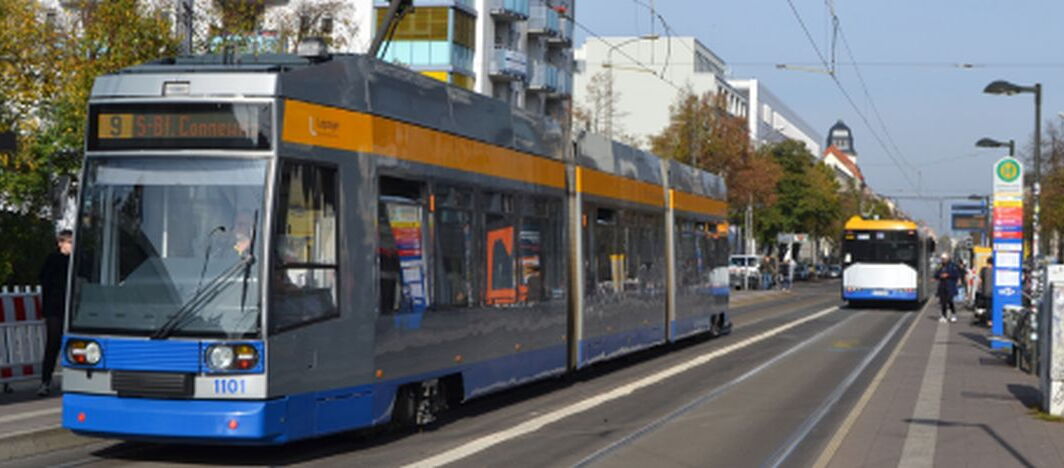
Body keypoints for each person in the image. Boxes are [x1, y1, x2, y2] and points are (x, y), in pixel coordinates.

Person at [37, 229, 72, 396]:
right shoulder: (53, 259)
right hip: (54, 308)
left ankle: (69, 377)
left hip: (70, 308)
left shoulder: (76, 260)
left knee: (70, 343)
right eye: (70, 242)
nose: (72, 246)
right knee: (53, 343)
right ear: (61, 243)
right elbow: (44, 279)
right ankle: (45, 380)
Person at [935, 252, 962, 323]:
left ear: (948, 258)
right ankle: (944, 316)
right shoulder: (940, 266)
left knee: (950, 301)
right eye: (942, 259)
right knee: (943, 302)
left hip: (950, 286)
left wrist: (948, 275)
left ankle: (953, 314)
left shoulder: (953, 266)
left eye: (944, 259)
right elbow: (936, 274)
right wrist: (939, 275)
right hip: (942, 286)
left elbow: (956, 275)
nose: (943, 260)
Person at [976, 257, 994, 326]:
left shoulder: (984, 270)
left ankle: (989, 321)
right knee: (992, 307)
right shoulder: (996, 271)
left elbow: (980, 281)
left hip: (986, 291)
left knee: (988, 307)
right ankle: (992, 320)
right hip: (994, 292)